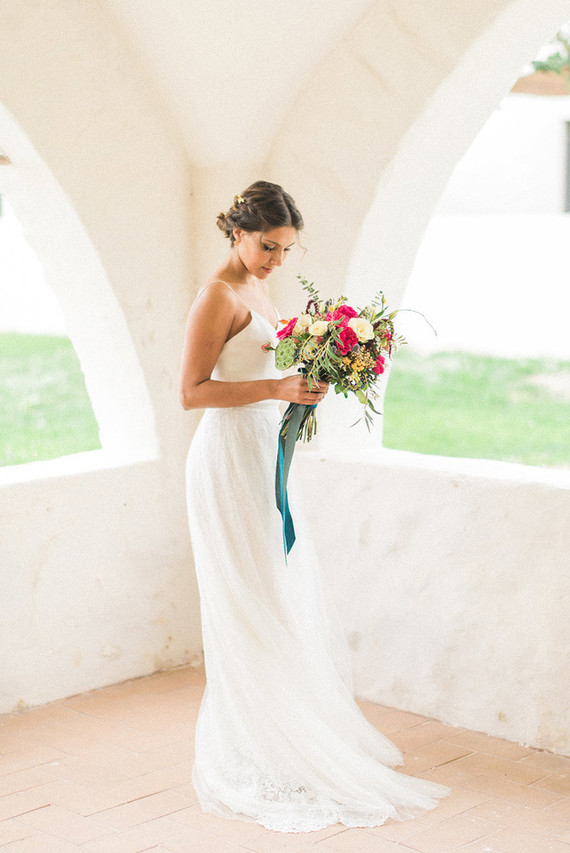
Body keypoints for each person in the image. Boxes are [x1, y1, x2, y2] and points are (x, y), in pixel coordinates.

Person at [179, 180, 448, 833]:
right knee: (251, 595)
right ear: (237, 231)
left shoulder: (257, 286)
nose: (276, 259)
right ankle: (261, 740)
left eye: (285, 249)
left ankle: (287, 727)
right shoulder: (217, 294)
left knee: (279, 590)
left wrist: (302, 386)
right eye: (267, 246)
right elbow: (191, 391)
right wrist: (274, 384)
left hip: (265, 452)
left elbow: (258, 367)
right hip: (226, 457)